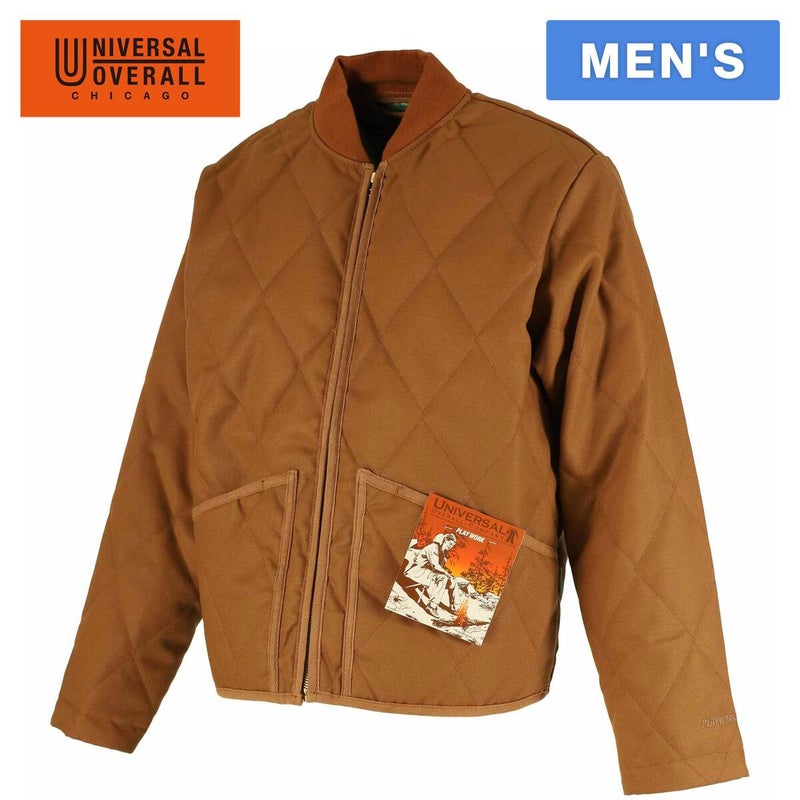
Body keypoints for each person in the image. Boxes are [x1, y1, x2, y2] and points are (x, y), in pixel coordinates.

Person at [403, 532, 457, 618]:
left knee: (453, 582)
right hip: (417, 571)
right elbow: (435, 566)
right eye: (450, 544)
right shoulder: (433, 547)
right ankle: (432, 606)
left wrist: (449, 577)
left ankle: (452, 607)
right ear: (445, 540)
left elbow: (438, 568)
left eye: (452, 546)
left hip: (427, 572)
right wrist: (447, 574)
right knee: (443, 578)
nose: (450, 547)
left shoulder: (442, 553)